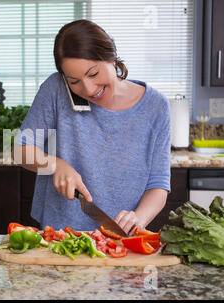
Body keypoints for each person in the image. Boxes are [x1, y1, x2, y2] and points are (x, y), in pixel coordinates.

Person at [13, 19, 171, 235]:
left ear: (111, 57)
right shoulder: (55, 90)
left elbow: (158, 185)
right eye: (74, 81)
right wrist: (55, 164)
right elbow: (21, 150)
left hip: (121, 238)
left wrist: (138, 218)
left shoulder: (156, 106)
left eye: (93, 74)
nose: (88, 89)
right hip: (60, 235)